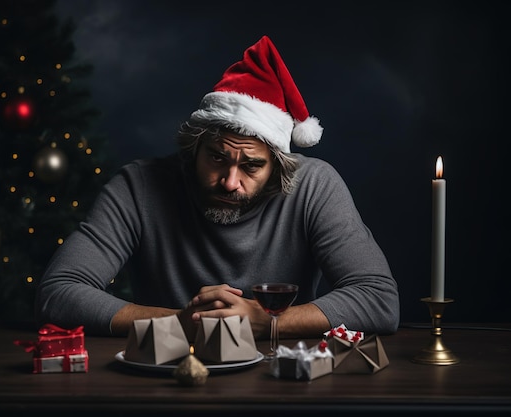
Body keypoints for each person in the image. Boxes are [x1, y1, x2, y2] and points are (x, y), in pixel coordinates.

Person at [35, 35, 400, 341]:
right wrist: (177, 324)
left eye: (252, 165)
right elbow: (58, 293)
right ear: (194, 148)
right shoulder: (139, 186)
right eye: (216, 158)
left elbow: (378, 299)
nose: (230, 181)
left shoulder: (315, 186)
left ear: (277, 167)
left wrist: (267, 321)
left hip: (283, 381)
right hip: (164, 377)